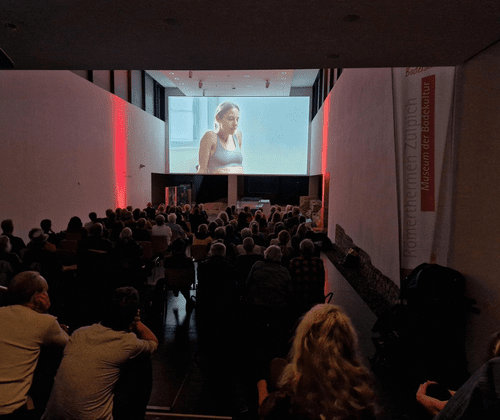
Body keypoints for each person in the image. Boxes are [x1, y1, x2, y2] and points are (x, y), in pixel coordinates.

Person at [42, 287, 158, 420]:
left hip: (52, 416)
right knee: (143, 361)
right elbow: (153, 342)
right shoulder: (127, 343)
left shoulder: (79, 333)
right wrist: (137, 322)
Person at [258, 304, 380, 420]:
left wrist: (261, 386)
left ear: (304, 343)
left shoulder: (287, 402)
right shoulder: (361, 402)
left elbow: (267, 411)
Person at [0, 272, 69, 418]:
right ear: (38, 296)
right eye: (46, 291)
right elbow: (70, 345)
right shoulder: (45, 322)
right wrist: (45, 313)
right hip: (10, 408)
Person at [197, 102, 243, 174]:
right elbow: (202, 170)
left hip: (239, 181)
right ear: (218, 118)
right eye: (231, 119)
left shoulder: (238, 136)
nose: (235, 124)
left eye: (237, 119)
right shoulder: (210, 137)